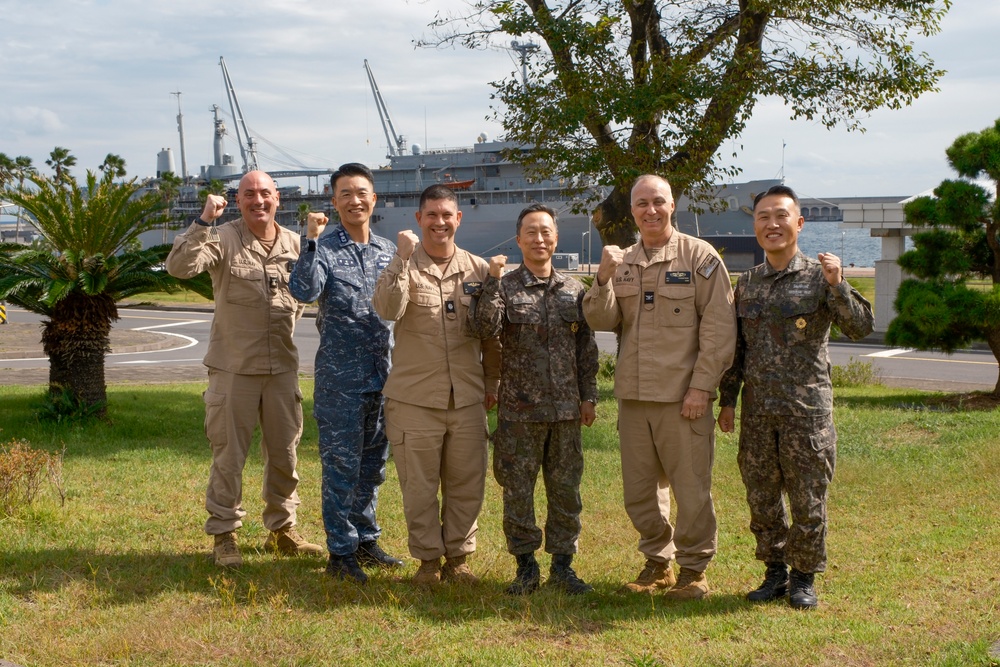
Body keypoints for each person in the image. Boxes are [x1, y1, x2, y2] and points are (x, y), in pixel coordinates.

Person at [717, 184, 874, 610]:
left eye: (781, 215)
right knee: (762, 498)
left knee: (808, 500)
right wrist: (727, 401)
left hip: (807, 414)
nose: (772, 224)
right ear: (755, 226)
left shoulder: (820, 275)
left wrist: (838, 284)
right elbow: (737, 350)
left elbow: (860, 327)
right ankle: (774, 573)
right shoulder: (746, 284)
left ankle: (803, 578)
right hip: (759, 415)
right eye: (763, 216)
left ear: (799, 223)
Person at [583, 174, 736, 599]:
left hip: (682, 397)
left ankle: (693, 570)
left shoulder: (699, 258)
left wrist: (702, 388)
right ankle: (657, 561)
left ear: (673, 206)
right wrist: (602, 279)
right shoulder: (624, 261)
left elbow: (720, 331)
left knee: (691, 490)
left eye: (659, 202)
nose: (651, 210)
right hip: (634, 397)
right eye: (642, 204)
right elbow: (600, 320)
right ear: (632, 211)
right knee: (639, 493)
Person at [166, 170, 323, 568]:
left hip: (282, 368)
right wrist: (204, 220)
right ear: (238, 201)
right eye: (249, 194)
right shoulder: (222, 237)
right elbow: (179, 268)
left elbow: (308, 293)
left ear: (278, 199)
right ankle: (224, 534)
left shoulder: (295, 243)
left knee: (285, 454)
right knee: (229, 456)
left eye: (265, 194)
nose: (258, 201)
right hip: (233, 368)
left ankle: (283, 529)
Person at [468, 203, 599, 596]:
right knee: (518, 490)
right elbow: (485, 327)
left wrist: (589, 396)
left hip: (565, 413)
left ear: (556, 238)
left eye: (546, 232)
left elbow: (586, 350)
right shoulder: (505, 287)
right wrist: (492, 280)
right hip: (519, 413)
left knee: (565, 490)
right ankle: (525, 566)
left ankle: (563, 566)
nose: (539, 239)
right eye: (531, 232)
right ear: (519, 238)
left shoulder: (575, 289)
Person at [372, 184, 501, 586]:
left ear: (458, 219)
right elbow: (387, 309)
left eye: (447, 215)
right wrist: (399, 258)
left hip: (466, 397)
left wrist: (492, 382)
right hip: (414, 399)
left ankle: (458, 559)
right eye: (432, 215)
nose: (440, 222)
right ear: (419, 219)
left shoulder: (479, 270)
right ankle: (428, 562)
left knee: (467, 484)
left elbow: (491, 336)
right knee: (420, 487)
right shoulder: (403, 265)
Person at [288, 163, 403, 584]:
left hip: (385, 376)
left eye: (362, 193)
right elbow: (303, 290)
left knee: (374, 467)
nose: (355, 200)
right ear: (334, 202)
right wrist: (311, 240)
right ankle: (340, 552)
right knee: (341, 468)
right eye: (346, 194)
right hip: (342, 381)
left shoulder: (390, 250)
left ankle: (365, 539)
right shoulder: (324, 247)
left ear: (374, 199)